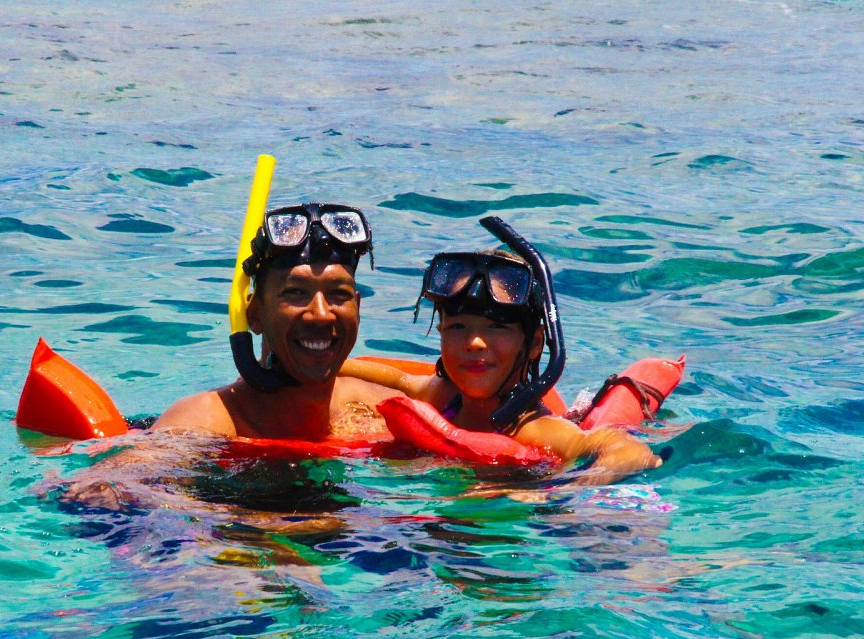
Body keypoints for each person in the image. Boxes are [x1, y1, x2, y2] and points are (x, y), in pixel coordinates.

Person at [340, 247, 662, 483]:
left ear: (535, 343)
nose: (474, 342)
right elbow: (398, 380)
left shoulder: (535, 429)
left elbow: (623, 450)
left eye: (496, 327)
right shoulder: (445, 397)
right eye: (458, 327)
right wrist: (329, 366)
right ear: (440, 333)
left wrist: (577, 488)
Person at [152, 202, 399, 441]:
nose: (321, 314)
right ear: (255, 315)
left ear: (357, 308)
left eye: (339, 294)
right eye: (296, 293)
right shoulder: (203, 425)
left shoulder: (375, 411)